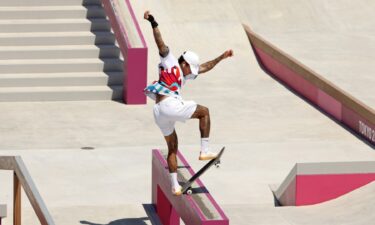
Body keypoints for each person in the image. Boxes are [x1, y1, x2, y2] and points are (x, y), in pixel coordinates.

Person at [144, 10, 233, 196]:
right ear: (183, 63)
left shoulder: (185, 72)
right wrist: (153, 21)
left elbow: (204, 67)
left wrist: (221, 57)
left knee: (173, 147)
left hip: (159, 112)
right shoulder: (169, 61)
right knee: (204, 112)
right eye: (189, 69)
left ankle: (175, 186)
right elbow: (160, 42)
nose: (190, 73)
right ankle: (205, 150)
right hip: (169, 105)